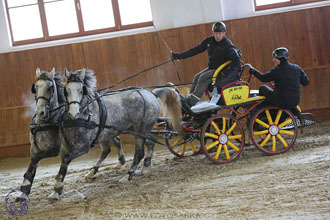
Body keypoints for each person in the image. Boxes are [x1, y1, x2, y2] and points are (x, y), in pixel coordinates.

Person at [172, 21, 240, 107]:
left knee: (203, 77)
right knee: (196, 77)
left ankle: (191, 102)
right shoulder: (209, 41)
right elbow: (195, 50)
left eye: (219, 33)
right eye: (216, 33)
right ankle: (189, 98)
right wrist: (179, 56)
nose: (217, 36)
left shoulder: (227, 45)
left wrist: (225, 74)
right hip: (213, 68)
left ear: (224, 33)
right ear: (213, 33)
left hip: (222, 71)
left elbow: (236, 62)